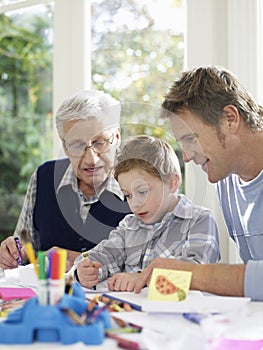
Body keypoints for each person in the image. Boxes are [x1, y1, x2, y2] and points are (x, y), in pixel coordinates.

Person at [134, 65, 263, 301]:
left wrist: (193, 275)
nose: (186, 156)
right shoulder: (225, 179)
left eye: (191, 138)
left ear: (230, 119)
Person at [0, 90, 130, 271]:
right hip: (48, 298)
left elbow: (149, 267)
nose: (91, 159)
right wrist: (14, 254)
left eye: (100, 142)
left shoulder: (141, 186)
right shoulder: (43, 177)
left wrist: (76, 260)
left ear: (116, 136)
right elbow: (26, 250)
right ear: (65, 146)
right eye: (78, 145)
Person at [76, 135, 220, 291]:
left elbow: (197, 273)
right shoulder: (129, 226)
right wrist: (89, 269)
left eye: (142, 192)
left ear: (172, 183)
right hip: (133, 312)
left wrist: (142, 277)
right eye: (128, 195)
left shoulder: (199, 221)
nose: (135, 203)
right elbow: (106, 254)